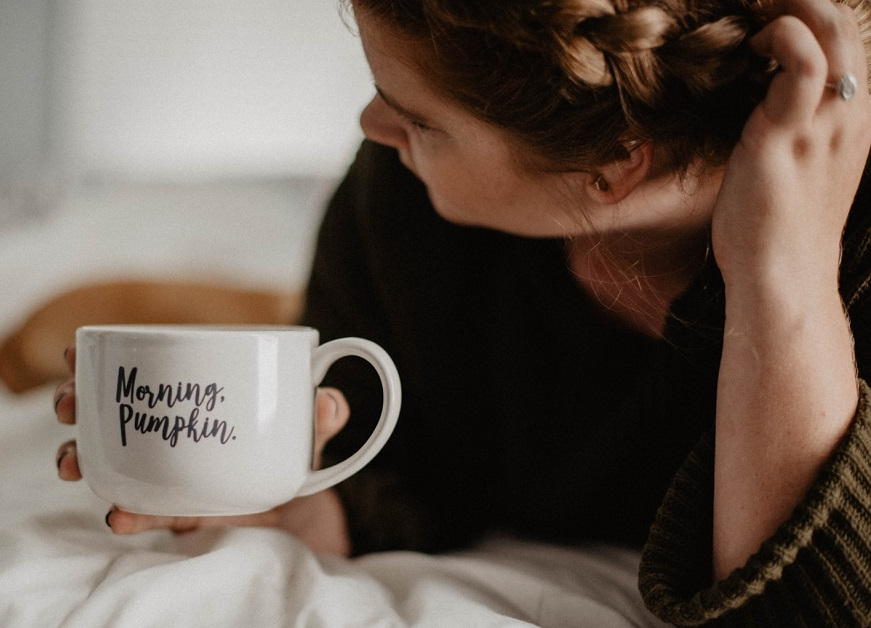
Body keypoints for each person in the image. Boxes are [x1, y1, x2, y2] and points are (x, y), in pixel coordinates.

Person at [54, 0, 871, 623]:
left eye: (417, 119)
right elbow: (423, 467)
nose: (373, 128)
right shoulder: (401, 209)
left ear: (615, 162)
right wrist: (317, 500)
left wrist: (783, 271)